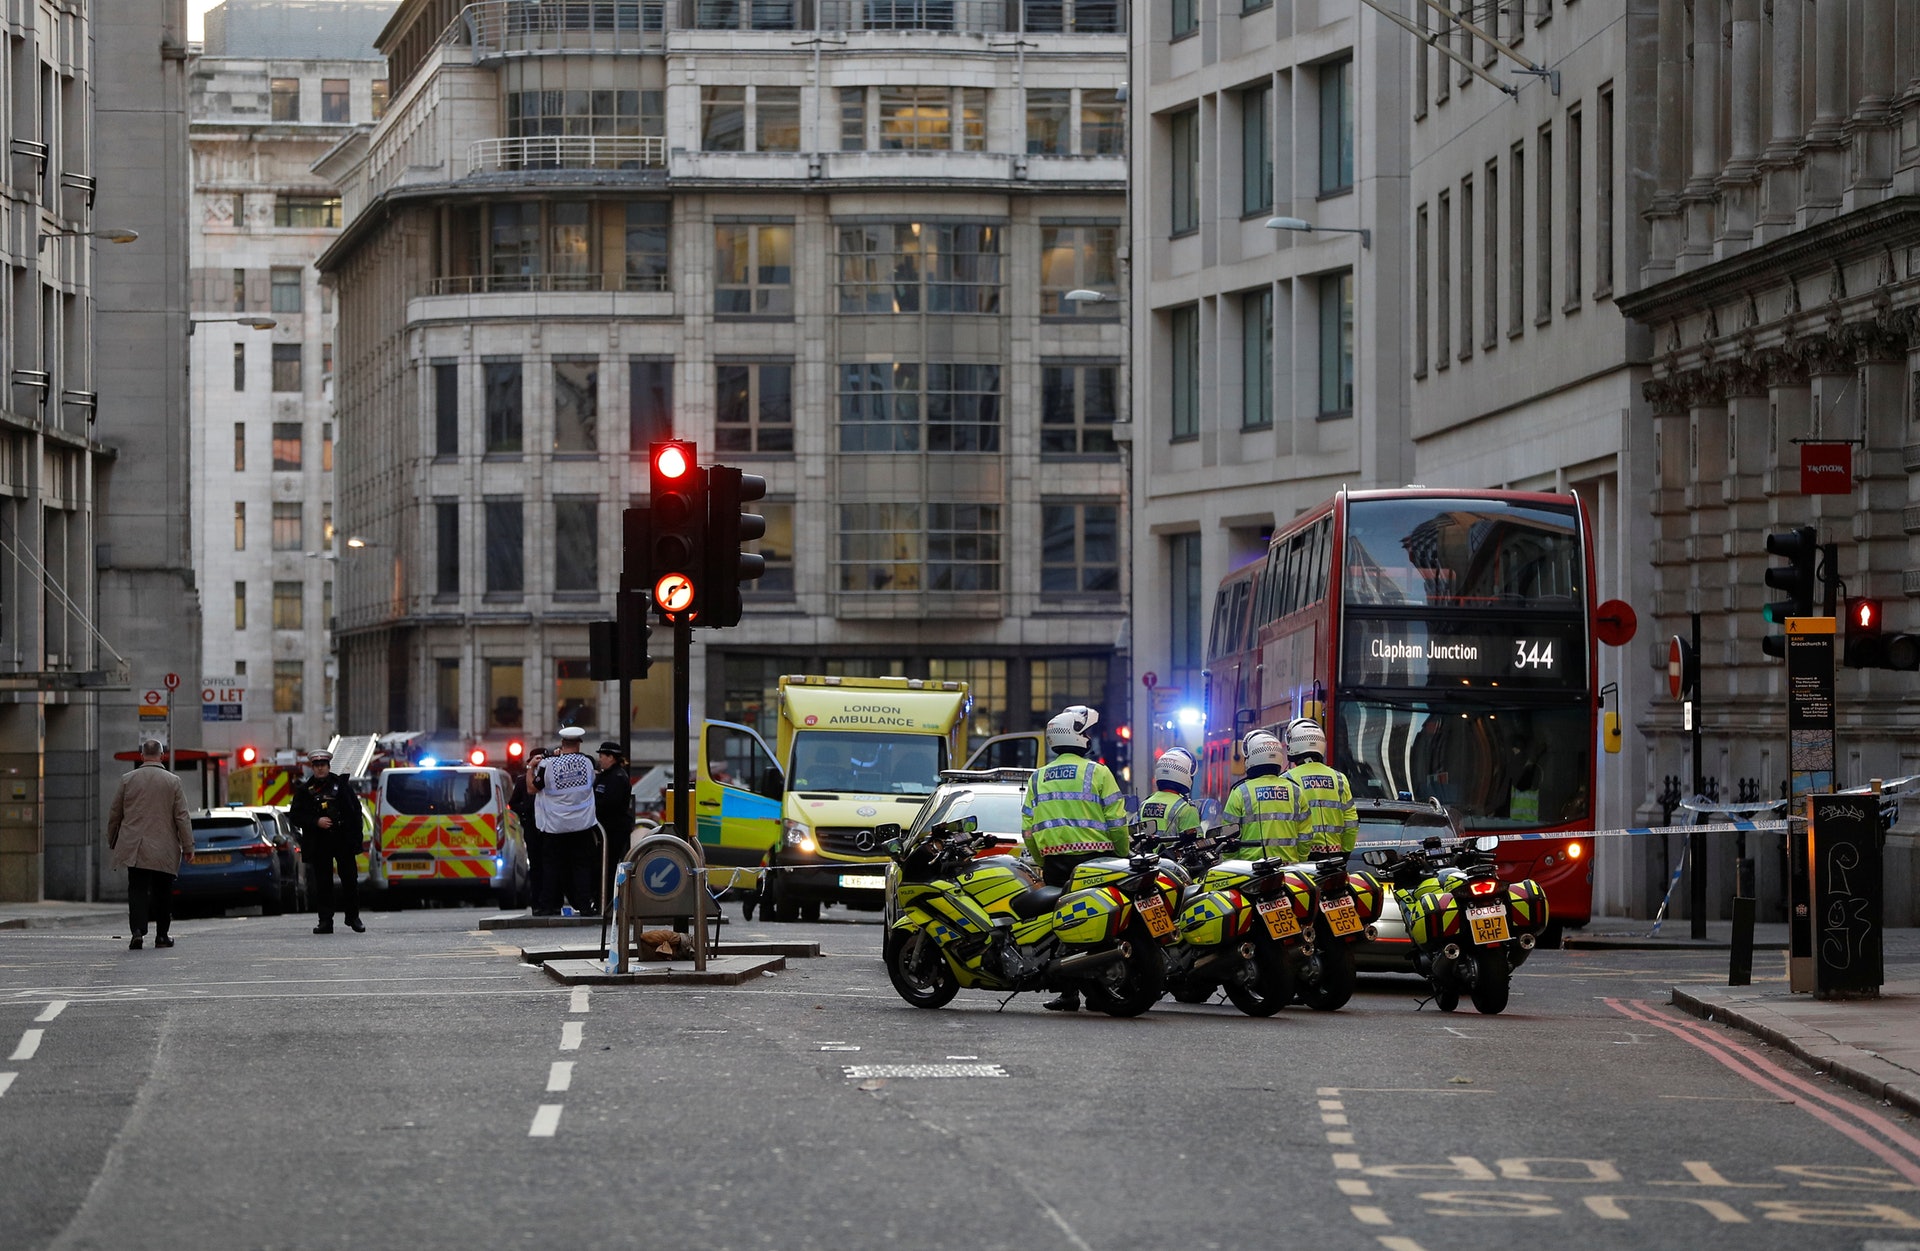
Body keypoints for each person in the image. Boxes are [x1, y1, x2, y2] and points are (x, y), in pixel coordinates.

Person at [1020, 704, 1128, 1012]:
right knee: (1100, 923)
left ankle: (1067, 994)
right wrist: (1123, 853)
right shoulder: (1098, 772)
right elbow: (1116, 821)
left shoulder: (1038, 778)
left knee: (1060, 927)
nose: (1091, 737)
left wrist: (1042, 861)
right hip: (1097, 861)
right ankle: (1099, 992)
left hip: (1056, 864)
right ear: (1078, 736)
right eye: (1088, 732)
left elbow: (1028, 828)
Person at [106, 738, 194, 950]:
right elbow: (182, 816)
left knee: (137, 888)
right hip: (163, 846)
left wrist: (113, 839)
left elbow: (115, 813)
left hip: (135, 845)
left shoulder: (128, 780)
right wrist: (188, 846)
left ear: (142, 756)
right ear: (162, 756)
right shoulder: (173, 782)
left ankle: (137, 930)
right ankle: (162, 936)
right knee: (162, 890)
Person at [290, 749, 366, 934]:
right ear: (312, 768)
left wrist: (356, 839)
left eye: (323, 766)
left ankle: (353, 917)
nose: (320, 769)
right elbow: (296, 815)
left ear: (328, 766)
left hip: (342, 840)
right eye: (316, 766)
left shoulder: (341, 787)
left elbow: (355, 812)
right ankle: (325, 921)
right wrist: (316, 821)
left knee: (350, 880)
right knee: (323, 883)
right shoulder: (305, 791)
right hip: (319, 842)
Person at [533, 726, 600, 915]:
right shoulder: (588, 762)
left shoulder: (548, 765)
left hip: (555, 826)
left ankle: (547, 906)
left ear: (562, 744)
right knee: (582, 867)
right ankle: (585, 906)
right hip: (582, 825)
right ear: (578, 743)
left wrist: (532, 766)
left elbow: (534, 788)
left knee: (551, 867)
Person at [1280, 717, 1358, 855]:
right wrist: (1345, 853)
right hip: (1334, 858)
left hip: (1301, 859)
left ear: (1294, 745)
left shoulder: (1286, 780)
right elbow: (1351, 823)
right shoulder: (1340, 779)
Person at [1223, 730, 1302, 860]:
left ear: (1251, 758)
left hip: (1250, 870)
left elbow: (1228, 837)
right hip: (1288, 868)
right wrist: (1300, 859)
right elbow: (1305, 836)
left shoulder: (1240, 792)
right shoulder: (1296, 790)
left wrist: (1230, 863)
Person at [594, 740, 634, 911]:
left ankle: (608, 903)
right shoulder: (606, 776)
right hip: (606, 829)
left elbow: (611, 804)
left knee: (609, 867)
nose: (600, 759)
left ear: (611, 757)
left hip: (613, 829)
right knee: (602, 866)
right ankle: (601, 901)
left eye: (602, 756)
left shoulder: (617, 777)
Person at [1139, 747, 1201, 847]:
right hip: (1173, 862)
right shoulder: (1187, 809)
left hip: (1146, 860)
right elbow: (1196, 846)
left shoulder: (1144, 804)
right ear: (1185, 774)